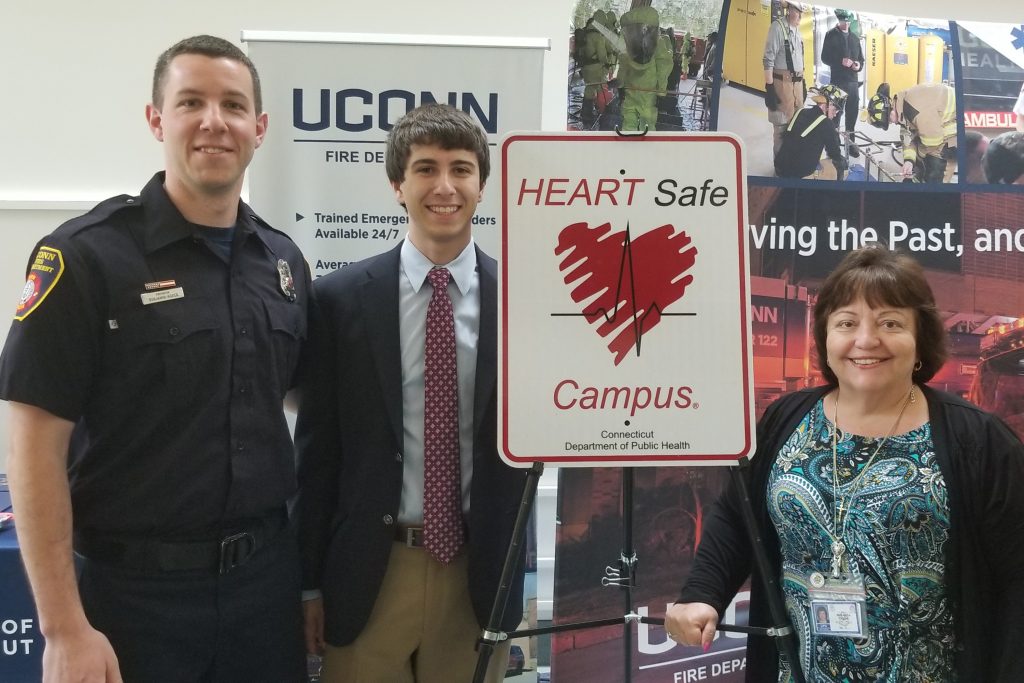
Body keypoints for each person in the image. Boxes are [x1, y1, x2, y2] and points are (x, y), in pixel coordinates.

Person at [0, 35, 309, 682]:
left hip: (264, 593)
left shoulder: (282, 263)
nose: (212, 121)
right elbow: (33, 446)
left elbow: (297, 410)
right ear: (156, 119)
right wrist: (63, 627)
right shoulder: (85, 259)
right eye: (190, 101)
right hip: (131, 600)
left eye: (232, 104)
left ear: (259, 127)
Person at [664, 246, 1024, 681]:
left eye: (890, 322)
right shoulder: (786, 418)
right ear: (826, 337)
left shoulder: (978, 439)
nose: (866, 340)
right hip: (796, 672)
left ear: (920, 339)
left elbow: (1015, 577)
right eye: (847, 323)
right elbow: (738, 517)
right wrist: (702, 594)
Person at [295, 103, 528, 683]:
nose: (444, 186)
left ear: (482, 185)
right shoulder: (339, 300)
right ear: (397, 184)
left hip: (480, 572)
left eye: (460, 169)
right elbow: (316, 454)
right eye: (425, 169)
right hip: (369, 572)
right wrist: (306, 583)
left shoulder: (527, 302)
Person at [867, 81, 957, 182]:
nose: (892, 123)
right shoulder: (901, 105)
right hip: (939, 122)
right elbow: (907, 138)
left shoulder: (914, 111)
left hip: (959, 128)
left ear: (891, 110)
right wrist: (909, 161)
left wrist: (920, 157)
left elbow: (933, 143)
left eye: (889, 120)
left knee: (936, 164)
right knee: (920, 152)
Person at [618, 0, 672, 131]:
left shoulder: (628, 45)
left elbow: (623, 66)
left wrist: (620, 84)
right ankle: (646, 148)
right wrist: (661, 91)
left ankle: (628, 146)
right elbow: (663, 67)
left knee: (629, 119)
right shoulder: (658, 44)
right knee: (647, 123)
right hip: (649, 91)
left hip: (631, 88)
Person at [774, 84, 849, 180]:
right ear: (825, 105)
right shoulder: (827, 124)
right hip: (800, 175)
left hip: (780, 167)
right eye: (835, 110)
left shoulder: (800, 112)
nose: (835, 115)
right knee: (840, 167)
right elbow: (834, 153)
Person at [763, 1, 807, 155]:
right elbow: (768, 59)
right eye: (797, 11)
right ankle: (780, 168)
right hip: (781, 85)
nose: (800, 16)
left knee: (796, 125)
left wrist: (804, 82)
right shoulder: (777, 27)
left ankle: (791, 163)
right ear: (789, 10)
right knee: (781, 128)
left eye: (802, 12)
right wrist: (769, 88)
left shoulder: (797, 30)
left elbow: (799, 58)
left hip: (797, 86)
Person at [820, 9, 864, 158]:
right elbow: (824, 58)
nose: (846, 24)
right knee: (835, 116)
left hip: (853, 83)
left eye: (848, 22)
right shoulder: (831, 35)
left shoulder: (854, 38)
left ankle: (851, 144)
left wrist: (858, 65)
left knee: (852, 117)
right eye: (843, 21)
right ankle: (834, 147)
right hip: (837, 82)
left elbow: (861, 60)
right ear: (838, 20)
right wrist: (840, 61)